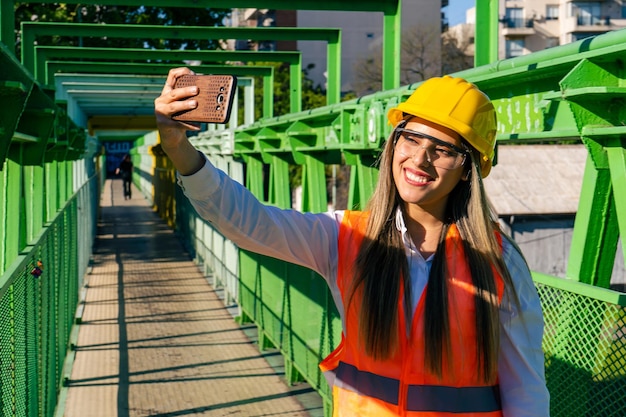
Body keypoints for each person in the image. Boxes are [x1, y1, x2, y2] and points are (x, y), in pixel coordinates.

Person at [154, 67, 550, 416]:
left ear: (467, 170)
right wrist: (178, 147)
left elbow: (525, 390)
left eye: (443, 149)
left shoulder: (498, 259)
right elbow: (250, 223)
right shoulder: (346, 236)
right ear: (394, 143)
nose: (421, 159)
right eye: (411, 139)